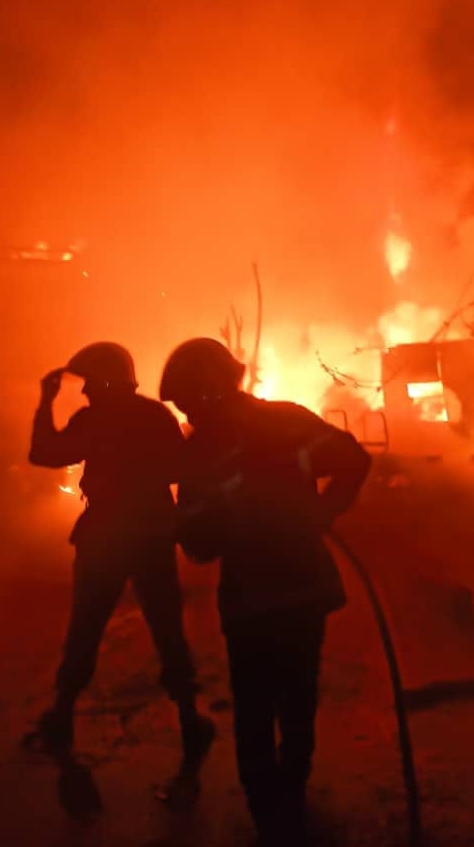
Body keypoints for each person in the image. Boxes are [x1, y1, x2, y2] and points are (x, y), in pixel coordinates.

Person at [159, 338, 371, 845]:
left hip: (251, 600)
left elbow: (200, 547)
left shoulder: (201, 450)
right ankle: (291, 798)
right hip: (304, 588)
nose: (186, 413)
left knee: (254, 708)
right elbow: (354, 460)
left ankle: (268, 818)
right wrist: (321, 513)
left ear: (205, 389)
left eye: (186, 401)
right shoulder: (288, 420)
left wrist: (192, 523)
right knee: (298, 698)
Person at [27, 341, 214, 772]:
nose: (85, 391)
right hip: (151, 536)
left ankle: (62, 716)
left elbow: (45, 453)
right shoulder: (155, 416)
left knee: (86, 627)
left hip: (104, 537)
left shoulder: (92, 420)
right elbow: (179, 470)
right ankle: (190, 721)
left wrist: (45, 401)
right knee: (167, 629)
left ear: (106, 381)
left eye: (90, 382)